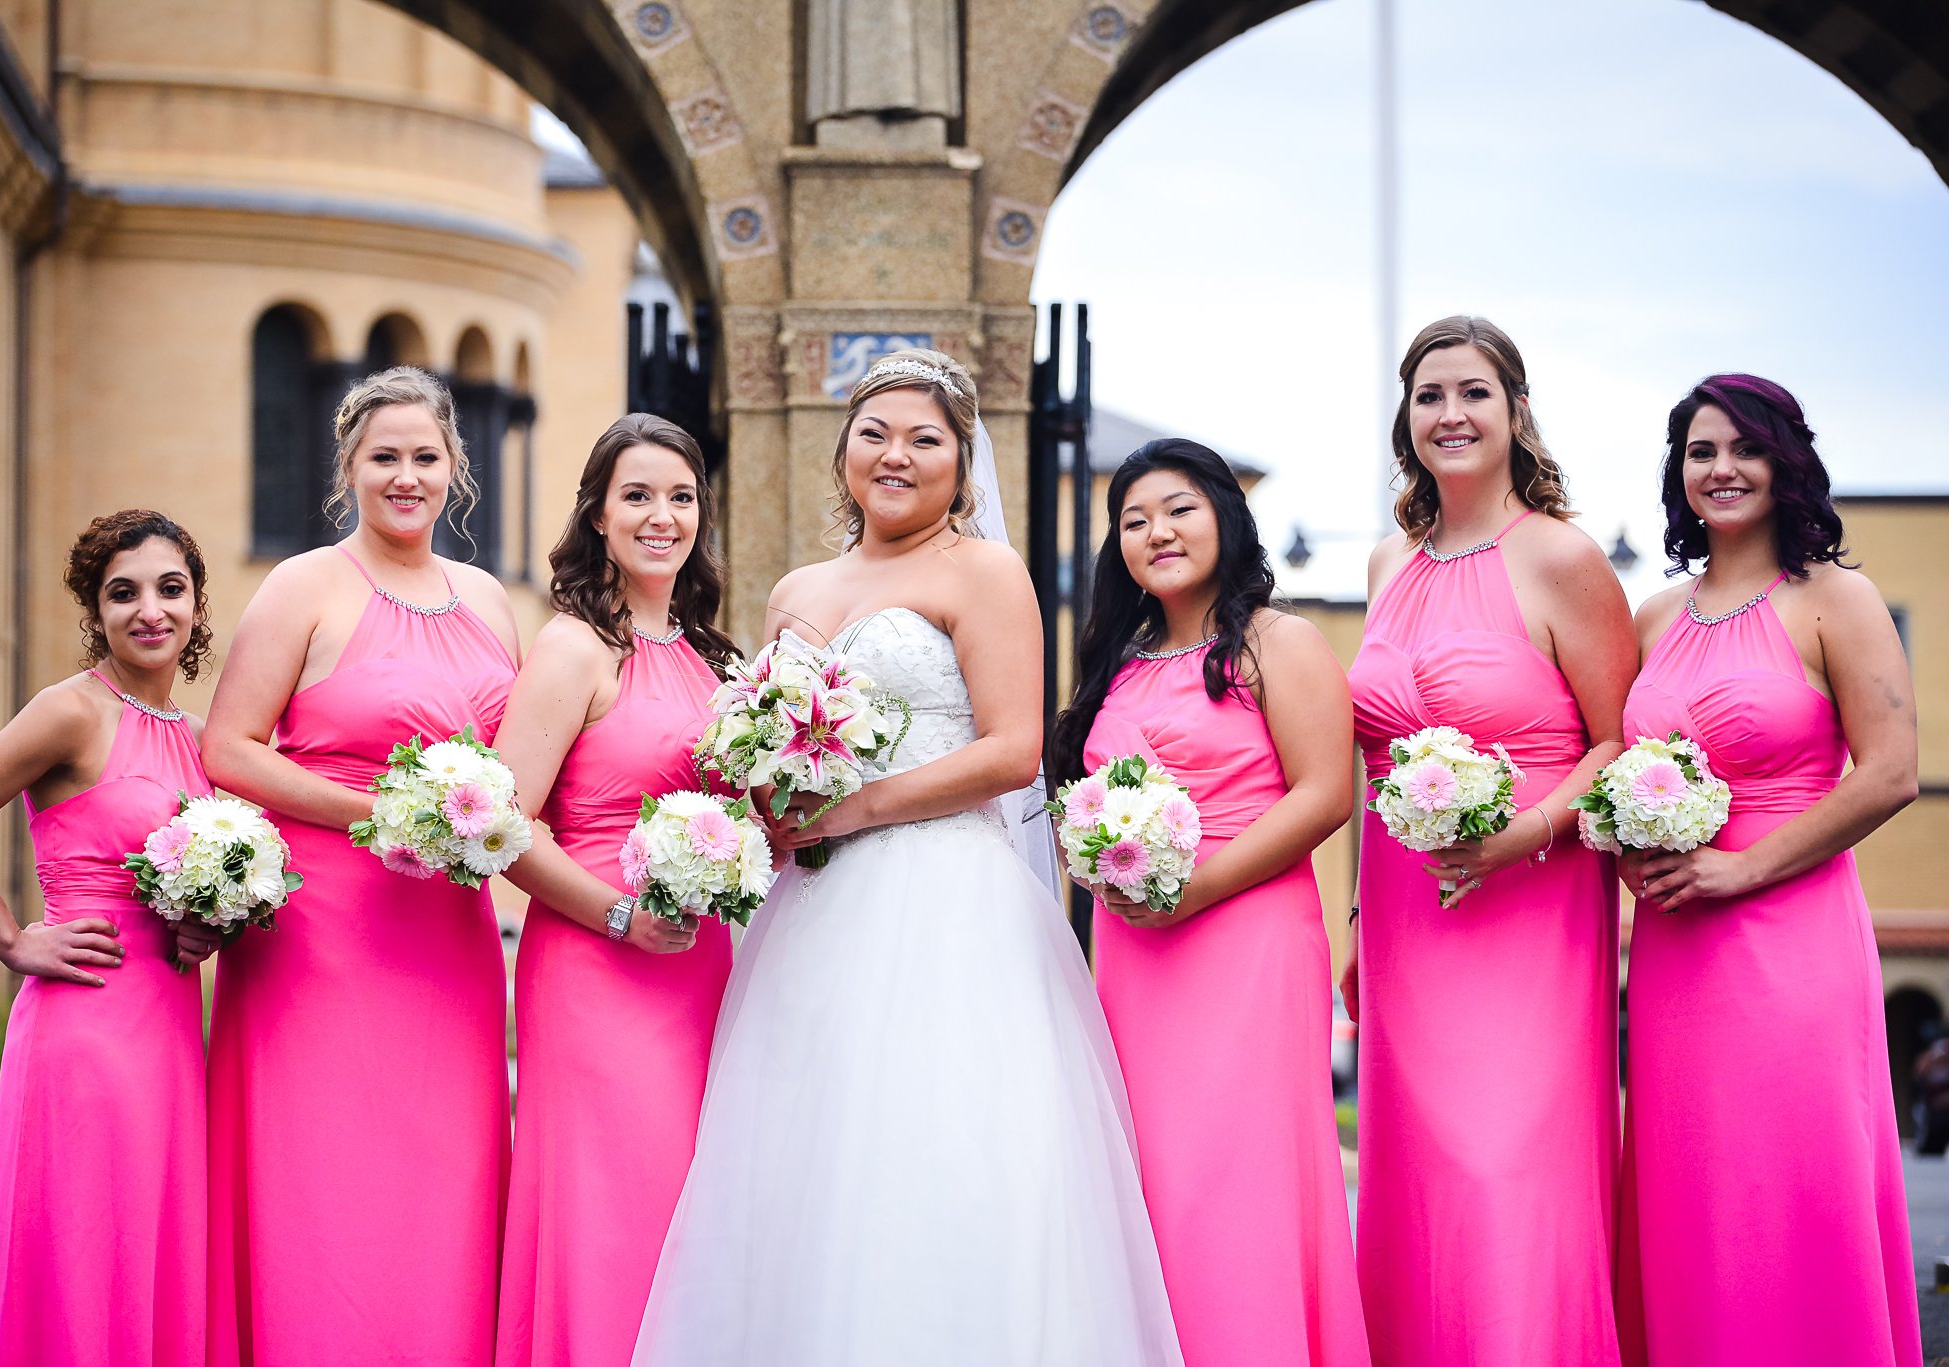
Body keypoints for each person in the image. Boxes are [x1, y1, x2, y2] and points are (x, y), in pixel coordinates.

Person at [631, 349, 1182, 1366]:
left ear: (961, 467)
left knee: (935, 1152)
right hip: (808, 917)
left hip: (942, 901)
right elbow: (771, 748)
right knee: (805, 1159)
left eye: (925, 438)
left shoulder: (979, 569)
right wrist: (763, 783)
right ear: (841, 448)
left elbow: (1011, 749)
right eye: (875, 432)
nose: (896, 454)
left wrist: (853, 813)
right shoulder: (798, 586)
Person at [202, 367, 520, 1364]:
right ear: (348, 465)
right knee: (324, 1177)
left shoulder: (487, 598)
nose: (406, 475)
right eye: (384, 456)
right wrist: (378, 813)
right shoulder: (304, 583)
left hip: (447, 938)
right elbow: (231, 747)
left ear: (455, 468)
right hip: (321, 936)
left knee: (442, 1172)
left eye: (425, 456)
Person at [1614, 374, 1920, 1367]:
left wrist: (1738, 874)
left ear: (1784, 460)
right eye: (1699, 451)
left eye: (1742, 447)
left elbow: (1889, 772)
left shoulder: (1837, 596)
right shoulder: (1653, 617)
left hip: (1791, 945)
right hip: (1672, 952)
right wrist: (1629, 853)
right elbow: (1613, 771)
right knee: (1691, 1187)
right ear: (1679, 473)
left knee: (1793, 1180)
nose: (1720, 468)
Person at [1345, 316, 1634, 1364]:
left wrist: (1515, 838)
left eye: (1472, 392)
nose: (1449, 414)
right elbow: (1365, 759)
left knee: (1500, 1161)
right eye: (1428, 395)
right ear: (1405, 418)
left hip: (1531, 904)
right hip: (1403, 910)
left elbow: (1617, 742)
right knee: (1415, 1165)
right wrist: (1353, 915)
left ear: (1514, 411)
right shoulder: (1387, 561)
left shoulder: (1558, 557)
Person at [1051, 438, 1370, 1367]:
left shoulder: (1280, 640)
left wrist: (1196, 889)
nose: (1157, 531)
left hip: (1248, 939)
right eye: (1135, 518)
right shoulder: (1118, 656)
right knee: (1150, 1175)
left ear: (1226, 516)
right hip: (1137, 950)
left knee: (1238, 1176)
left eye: (1179, 508)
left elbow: (1323, 794)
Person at [0, 510, 219, 1366]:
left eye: (169, 588)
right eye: (123, 593)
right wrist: (12, 939)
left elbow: (207, 871)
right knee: (85, 1245)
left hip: (167, 1030)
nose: (149, 609)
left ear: (196, 604)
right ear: (96, 609)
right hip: (84, 1022)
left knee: (145, 1245)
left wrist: (208, 922)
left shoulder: (197, 740)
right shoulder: (71, 710)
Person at [493, 414, 737, 1366]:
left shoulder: (714, 658)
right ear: (598, 513)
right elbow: (504, 826)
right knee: (613, 1199)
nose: (661, 516)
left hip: (700, 970)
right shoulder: (573, 649)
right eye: (637, 495)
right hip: (597, 962)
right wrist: (621, 916)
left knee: (690, 1198)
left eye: (680, 497)